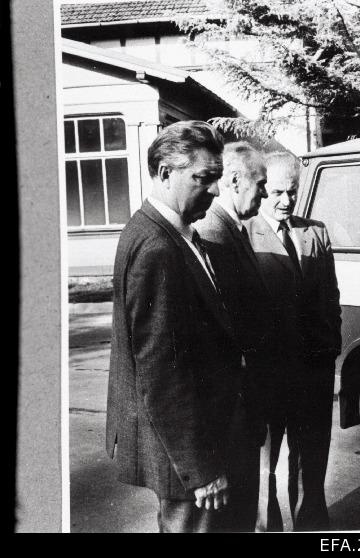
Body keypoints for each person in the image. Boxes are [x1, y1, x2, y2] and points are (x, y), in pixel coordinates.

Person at [106, 121, 255, 532]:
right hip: (191, 456)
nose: (214, 190)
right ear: (165, 173)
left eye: (217, 179)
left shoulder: (177, 234)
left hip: (207, 437)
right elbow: (161, 373)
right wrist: (201, 469)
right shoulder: (157, 248)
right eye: (203, 179)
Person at [246, 151, 342, 531]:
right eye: (277, 193)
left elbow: (330, 296)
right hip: (269, 375)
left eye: (293, 191)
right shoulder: (243, 235)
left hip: (313, 371)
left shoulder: (315, 231)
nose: (286, 201)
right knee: (264, 464)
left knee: (311, 458)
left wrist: (330, 346)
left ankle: (312, 526)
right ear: (261, 189)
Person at [193, 141, 273, 531]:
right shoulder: (213, 232)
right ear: (236, 180)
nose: (265, 193)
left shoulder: (233, 229)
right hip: (231, 406)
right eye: (260, 184)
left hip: (244, 401)